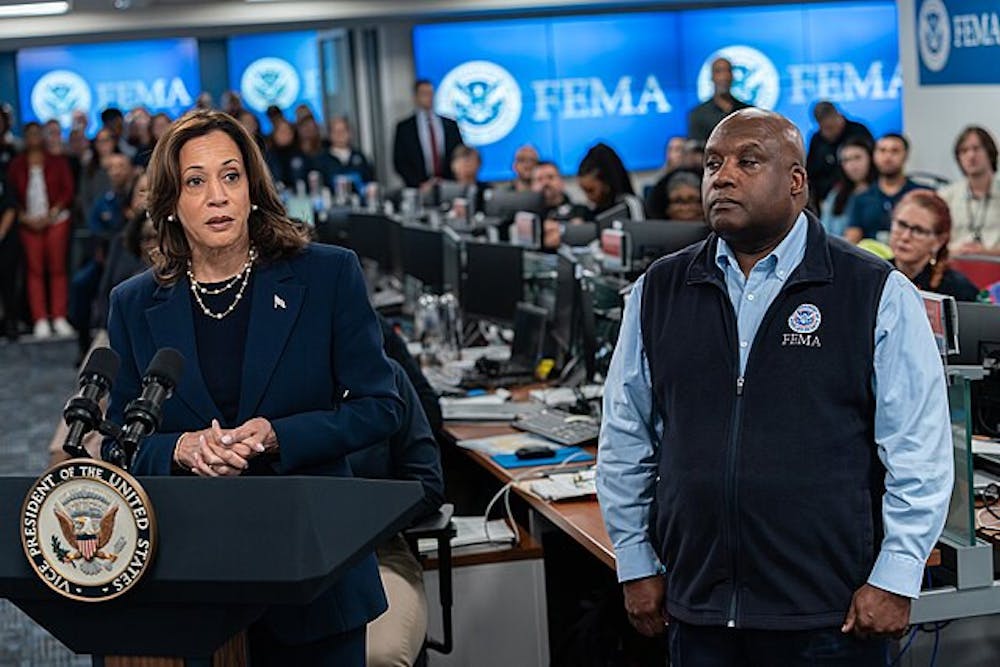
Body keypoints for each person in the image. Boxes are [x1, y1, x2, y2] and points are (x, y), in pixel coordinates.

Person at [597, 108, 952, 665]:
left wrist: (898, 574)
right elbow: (624, 438)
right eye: (713, 163)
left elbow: (919, 450)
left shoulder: (873, 290)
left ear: (795, 182)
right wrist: (635, 560)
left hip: (830, 613)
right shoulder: (658, 290)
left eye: (748, 160)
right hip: (699, 607)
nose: (722, 176)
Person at [103, 109, 404, 665]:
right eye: (196, 181)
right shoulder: (133, 304)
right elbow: (118, 442)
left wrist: (278, 436)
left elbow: (381, 408)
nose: (217, 196)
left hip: (315, 575)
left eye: (231, 176)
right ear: (170, 202)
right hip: (196, 583)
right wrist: (180, 449)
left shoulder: (328, 275)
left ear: (253, 188)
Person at [348, 358, 444, 667]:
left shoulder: (384, 376)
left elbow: (427, 484)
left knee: (380, 656)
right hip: (287, 561)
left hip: (377, 553)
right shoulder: (263, 390)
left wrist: (357, 519)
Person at [7, 121, 76, 339]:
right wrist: (24, 216)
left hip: (55, 220)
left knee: (57, 269)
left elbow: (68, 191)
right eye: (30, 134)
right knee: (34, 271)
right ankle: (40, 319)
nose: (35, 138)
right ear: (25, 138)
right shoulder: (16, 164)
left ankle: (59, 316)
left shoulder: (57, 162)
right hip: (28, 222)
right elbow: (12, 196)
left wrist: (52, 213)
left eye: (38, 133)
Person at [889, 190, 980, 302]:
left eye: (918, 230)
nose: (905, 237)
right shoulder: (874, 276)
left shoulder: (959, 290)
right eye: (901, 225)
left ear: (939, 241)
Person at [846, 133, 928, 243]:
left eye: (895, 151)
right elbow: (852, 240)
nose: (887, 157)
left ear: (906, 155)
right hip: (871, 257)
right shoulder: (861, 198)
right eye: (882, 150)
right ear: (874, 156)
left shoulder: (922, 195)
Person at [938, 126, 1000, 255]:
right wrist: (955, 251)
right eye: (964, 151)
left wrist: (988, 252)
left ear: (990, 152)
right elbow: (932, 243)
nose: (971, 156)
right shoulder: (945, 196)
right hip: (955, 265)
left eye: (976, 149)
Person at [392, 79, 463, 188]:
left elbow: (459, 154)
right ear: (416, 97)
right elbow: (400, 161)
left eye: (430, 93)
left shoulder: (450, 125)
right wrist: (419, 184)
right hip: (418, 188)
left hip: (448, 185)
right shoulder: (404, 128)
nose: (428, 98)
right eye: (424, 94)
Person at [805, 101, 874, 209]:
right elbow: (811, 171)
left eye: (831, 127)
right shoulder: (817, 139)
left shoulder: (859, 131)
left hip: (860, 191)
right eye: (824, 128)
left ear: (838, 116)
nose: (828, 133)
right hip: (826, 199)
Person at [819, 136, 876, 238]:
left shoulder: (882, 191)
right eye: (846, 160)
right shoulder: (835, 195)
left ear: (871, 158)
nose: (852, 165)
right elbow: (824, 233)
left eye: (857, 157)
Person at [686, 58, 751, 144]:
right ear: (712, 77)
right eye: (719, 71)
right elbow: (696, 152)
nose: (724, 77)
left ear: (732, 76)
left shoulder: (746, 113)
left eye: (728, 71)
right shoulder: (698, 115)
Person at [577, 143, 644, 220]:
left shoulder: (631, 206)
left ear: (606, 184)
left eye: (591, 190)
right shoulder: (588, 212)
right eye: (584, 190)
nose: (588, 197)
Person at [318, 116, 375, 196]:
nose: (340, 135)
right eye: (336, 131)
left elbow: (370, 183)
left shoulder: (360, 157)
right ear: (330, 135)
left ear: (349, 133)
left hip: (360, 206)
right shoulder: (321, 160)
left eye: (343, 131)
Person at [0, 170, 18, 341]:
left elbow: (10, 206)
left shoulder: (3, 176)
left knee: (7, 283)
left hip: (4, 241)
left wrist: (1, 232)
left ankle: (10, 322)